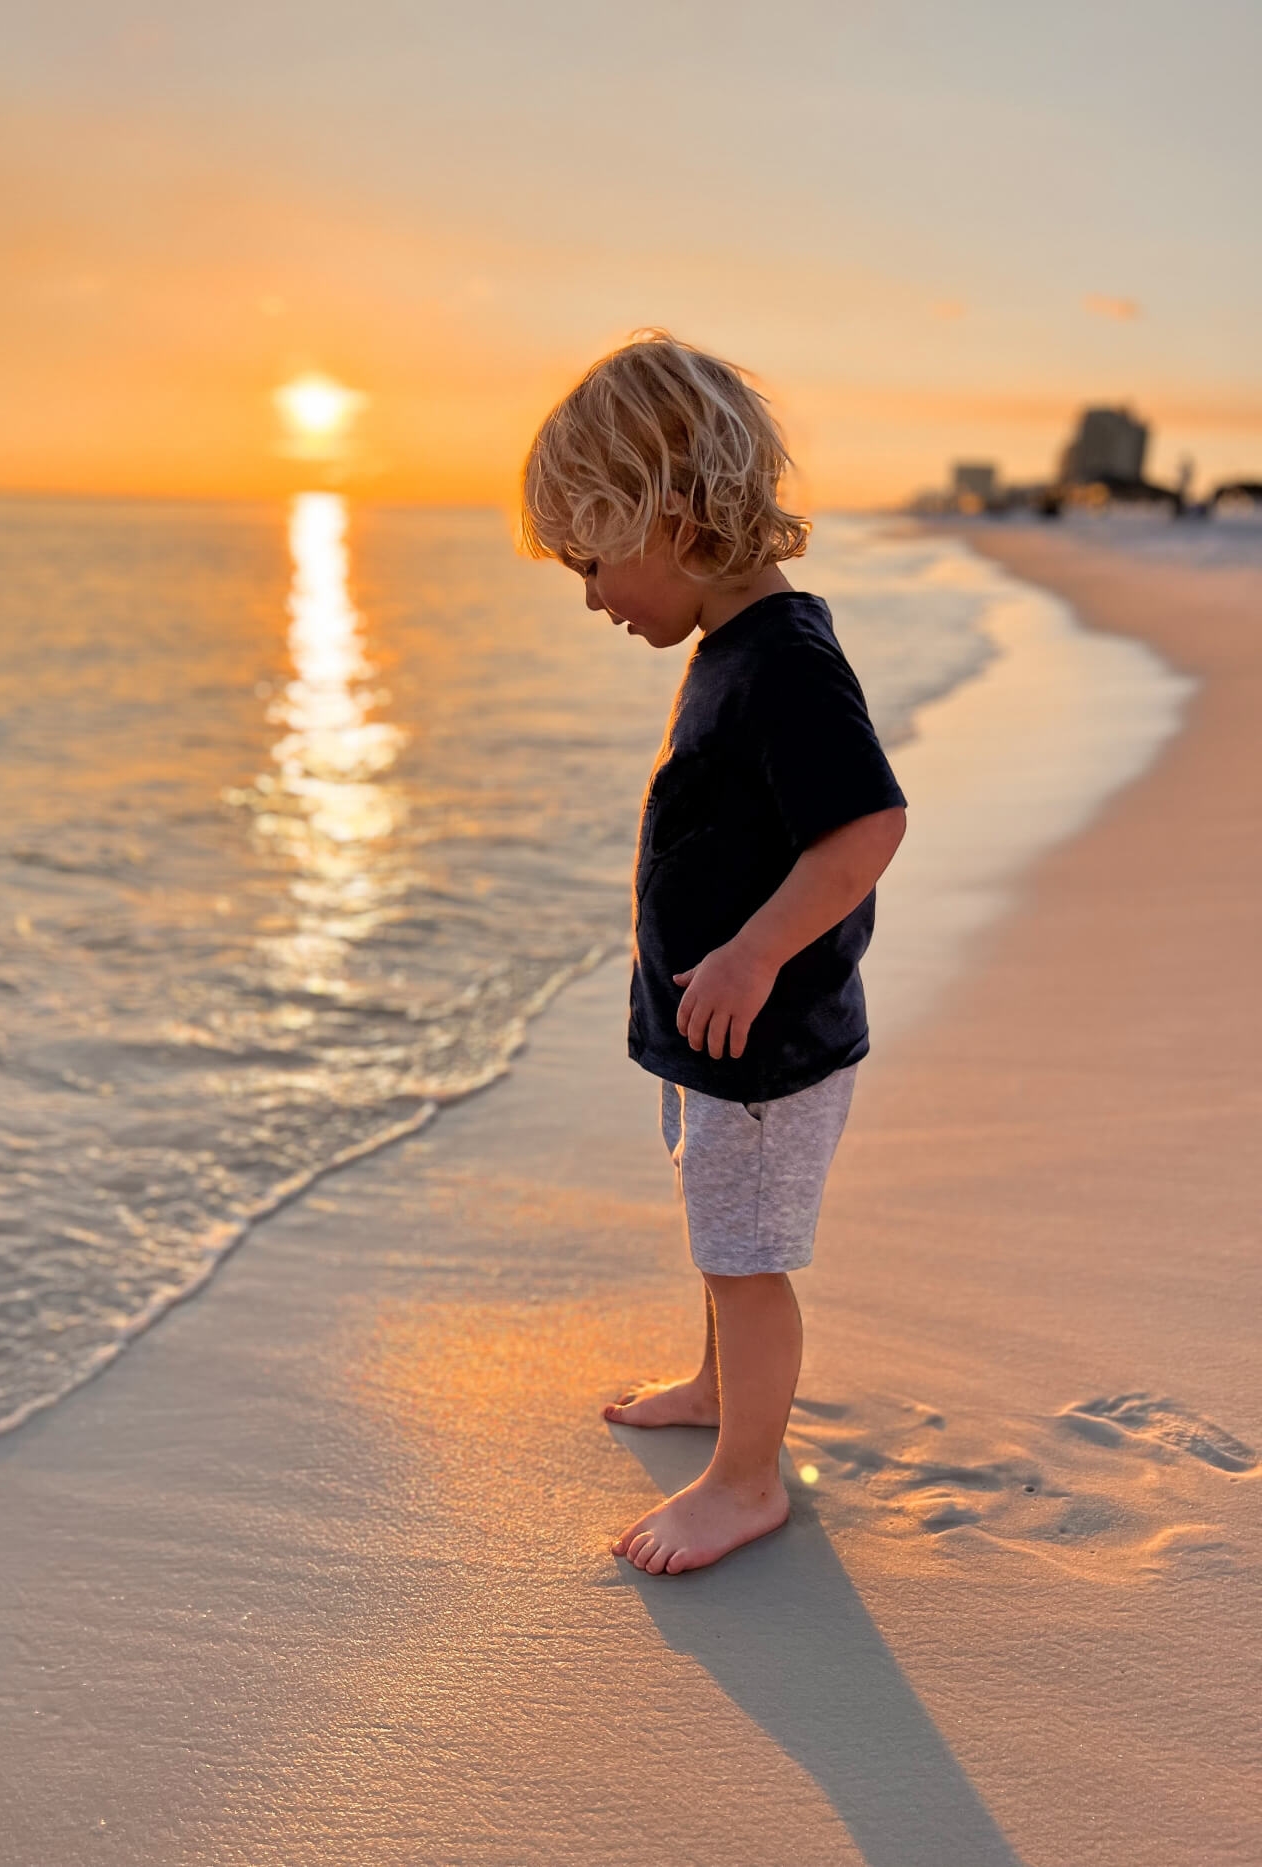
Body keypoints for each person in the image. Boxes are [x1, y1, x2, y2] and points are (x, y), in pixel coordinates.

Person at [520, 332, 907, 1575]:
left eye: (594, 561)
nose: (590, 596)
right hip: (720, 1046)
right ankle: (712, 1386)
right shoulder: (732, 648)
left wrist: (745, 956)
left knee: (746, 1262)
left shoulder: (784, 661)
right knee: (717, 1236)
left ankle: (747, 1481)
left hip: (766, 1050)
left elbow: (865, 827)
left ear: (672, 519)